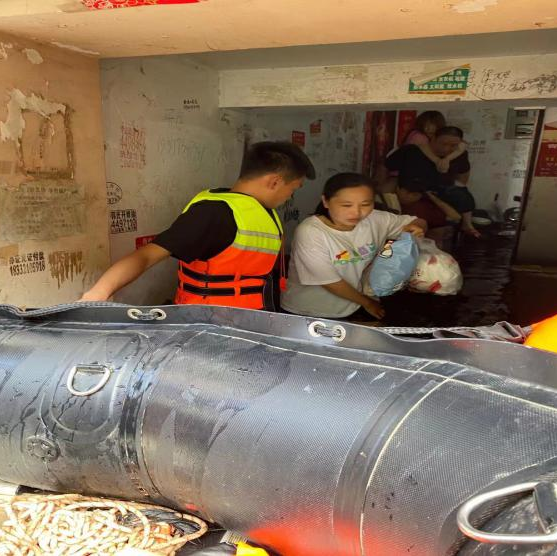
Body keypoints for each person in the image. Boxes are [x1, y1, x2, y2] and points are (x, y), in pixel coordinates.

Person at [80, 141, 316, 310]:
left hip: (249, 321)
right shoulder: (215, 213)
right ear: (275, 182)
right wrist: (98, 293)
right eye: (293, 189)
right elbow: (147, 255)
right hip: (209, 325)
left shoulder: (263, 213)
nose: (290, 197)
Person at [280, 173, 427, 321]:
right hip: (307, 311)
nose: (356, 212)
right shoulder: (311, 231)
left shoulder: (375, 219)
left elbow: (417, 221)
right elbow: (328, 281)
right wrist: (367, 303)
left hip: (352, 306)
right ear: (326, 201)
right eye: (346, 205)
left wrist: (417, 227)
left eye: (365, 204)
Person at [385, 126, 480, 237]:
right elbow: (385, 167)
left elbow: (462, 178)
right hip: (413, 197)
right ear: (433, 138)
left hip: (440, 198)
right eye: (443, 144)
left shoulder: (460, 156)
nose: (447, 149)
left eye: (453, 145)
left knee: (462, 201)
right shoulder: (411, 151)